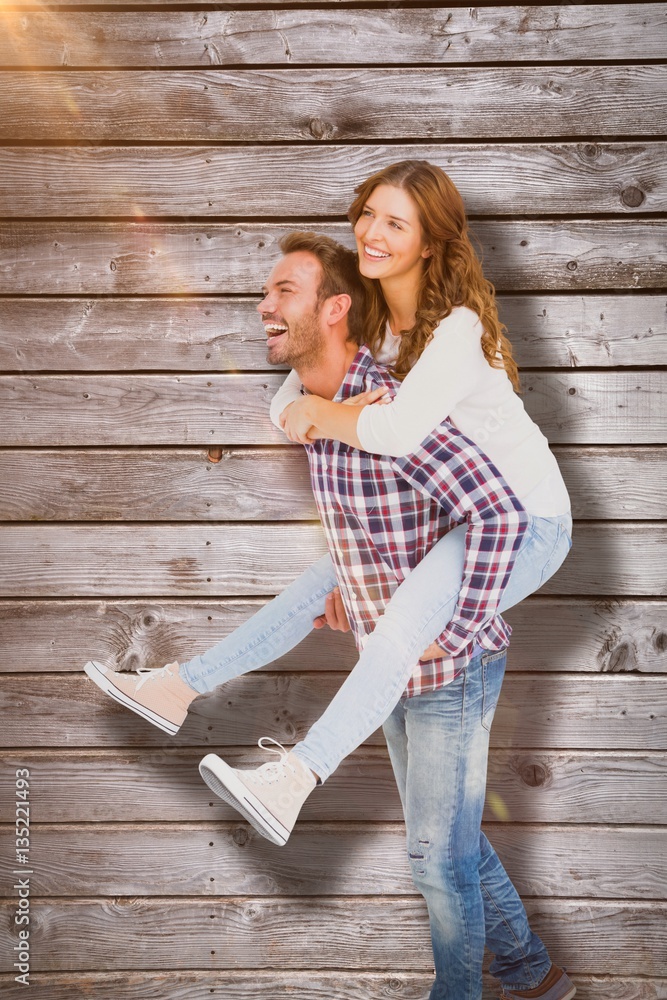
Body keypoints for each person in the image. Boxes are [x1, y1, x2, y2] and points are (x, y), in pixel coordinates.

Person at [84, 219, 574, 999]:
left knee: (434, 859)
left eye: (284, 289)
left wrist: (444, 620)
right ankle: (532, 974)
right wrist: (359, 575)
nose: (261, 305)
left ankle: (298, 781)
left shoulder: (396, 412)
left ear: (337, 308)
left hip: (446, 650)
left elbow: (491, 518)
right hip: (390, 641)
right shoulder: (312, 400)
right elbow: (369, 515)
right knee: (446, 840)